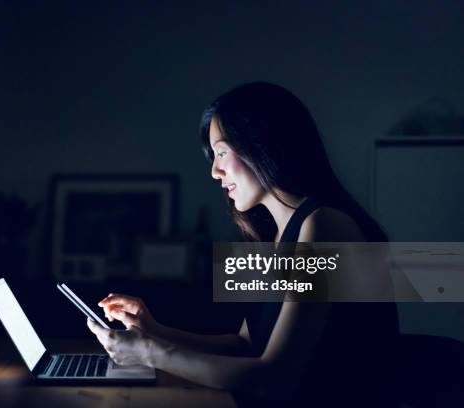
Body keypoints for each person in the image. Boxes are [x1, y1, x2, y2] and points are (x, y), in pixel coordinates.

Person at [87, 82, 399, 406]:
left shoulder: (324, 226)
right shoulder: (267, 236)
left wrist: (149, 352)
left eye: (221, 152)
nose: (214, 171)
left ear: (263, 145)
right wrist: (153, 331)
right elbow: (243, 344)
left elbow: (274, 378)